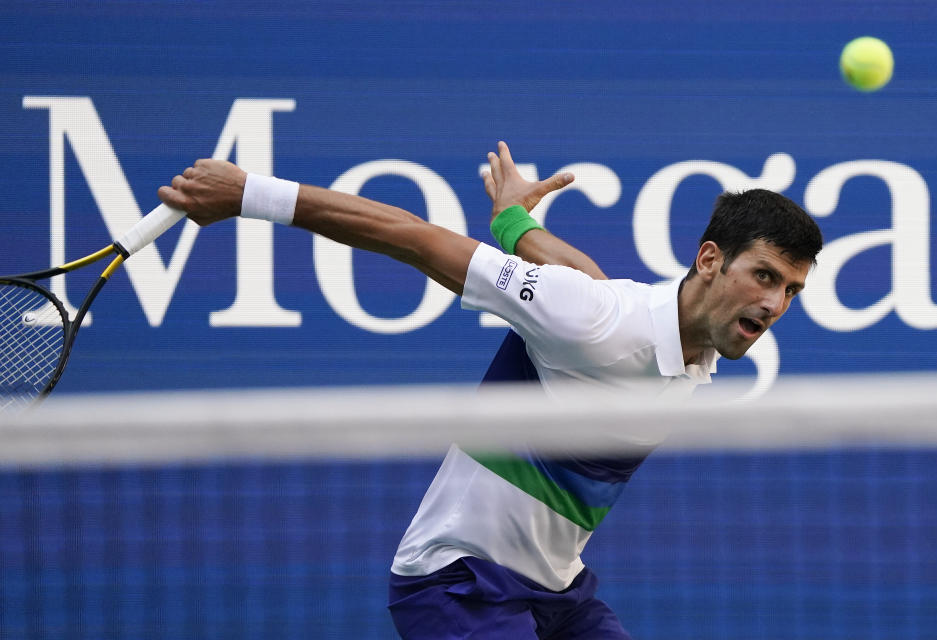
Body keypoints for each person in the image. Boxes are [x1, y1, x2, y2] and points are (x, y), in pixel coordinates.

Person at [158, 142, 823, 639]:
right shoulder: (593, 320)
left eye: (790, 289)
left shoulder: (681, 341)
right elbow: (413, 239)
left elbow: (573, 271)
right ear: (710, 260)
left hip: (558, 593)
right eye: (763, 276)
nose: (775, 302)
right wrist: (251, 193)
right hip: (458, 584)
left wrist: (510, 218)